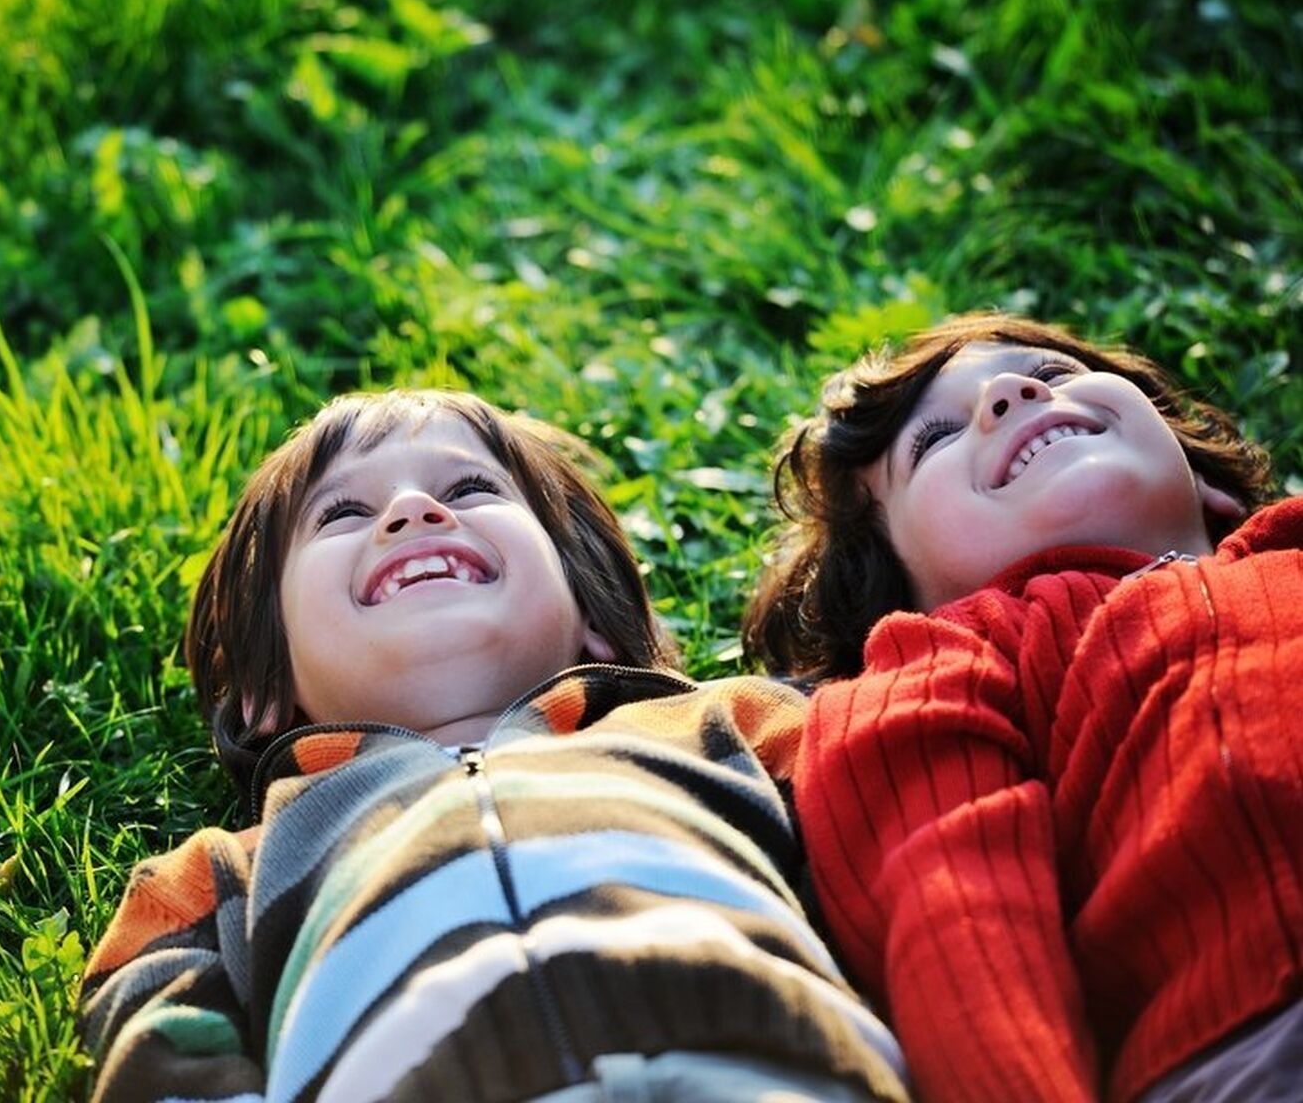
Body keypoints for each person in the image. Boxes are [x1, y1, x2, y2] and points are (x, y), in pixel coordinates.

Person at [79, 388, 910, 1102]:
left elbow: (915, 845)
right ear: (269, 684)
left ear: (590, 615)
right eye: (343, 513)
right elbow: (163, 1041)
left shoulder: (736, 730)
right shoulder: (224, 875)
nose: (412, 512)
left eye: (471, 488)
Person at [742, 312, 1302, 1103]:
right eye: (932, 441)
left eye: (1057, 371)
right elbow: (956, 916)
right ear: (905, 594)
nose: (1011, 392)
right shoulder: (956, 654)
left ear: (1205, 479)